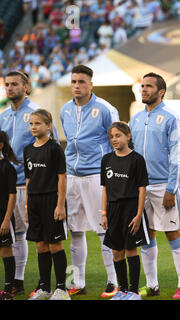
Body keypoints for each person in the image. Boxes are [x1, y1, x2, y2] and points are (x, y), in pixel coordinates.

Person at [60, 65, 120, 298]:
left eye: (81, 81)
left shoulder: (105, 108)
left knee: (104, 229)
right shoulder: (65, 109)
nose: (77, 85)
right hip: (72, 176)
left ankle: (113, 281)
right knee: (75, 230)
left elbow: (117, 140)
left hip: (97, 175)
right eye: (74, 81)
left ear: (91, 84)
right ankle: (78, 281)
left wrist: (112, 175)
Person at [129, 72, 180, 299]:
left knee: (173, 233)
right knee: (146, 235)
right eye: (142, 86)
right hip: (140, 187)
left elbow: (177, 155)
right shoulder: (135, 119)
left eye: (148, 86)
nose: (143, 89)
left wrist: (171, 188)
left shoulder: (173, 118)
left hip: (163, 184)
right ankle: (152, 285)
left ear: (161, 91)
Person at [0, 71, 58, 296]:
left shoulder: (35, 114)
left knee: (25, 234)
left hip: (28, 183)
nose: (10, 88)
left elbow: (46, 148)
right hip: (6, 184)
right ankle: (15, 281)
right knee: (10, 234)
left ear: (26, 86)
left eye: (15, 84)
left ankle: (20, 280)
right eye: (7, 84)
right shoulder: (3, 116)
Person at [101, 122, 150, 300]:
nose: (114, 139)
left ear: (128, 136)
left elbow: (142, 188)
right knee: (116, 251)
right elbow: (105, 188)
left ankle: (134, 291)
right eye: (112, 136)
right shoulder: (106, 160)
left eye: (118, 135)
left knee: (131, 249)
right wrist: (104, 214)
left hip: (131, 209)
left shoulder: (137, 159)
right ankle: (122, 291)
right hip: (113, 210)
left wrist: (138, 215)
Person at [25, 109, 69, 300]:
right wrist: (27, 205)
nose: (34, 127)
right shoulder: (28, 150)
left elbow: (62, 178)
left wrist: (60, 205)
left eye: (38, 123)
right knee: (40, 246)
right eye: (31, 124)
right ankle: (45, 287)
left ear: (48, 126)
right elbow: (29, 180)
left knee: (54, 245)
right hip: (34, 201)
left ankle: (62, 289)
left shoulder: (54, 149)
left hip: (52, 200)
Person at [0, 131, 18, 300]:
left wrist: (6, 219)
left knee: (5, 251)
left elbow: (12, 195)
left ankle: (8, 290)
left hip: (3, 218)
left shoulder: (7, 168)